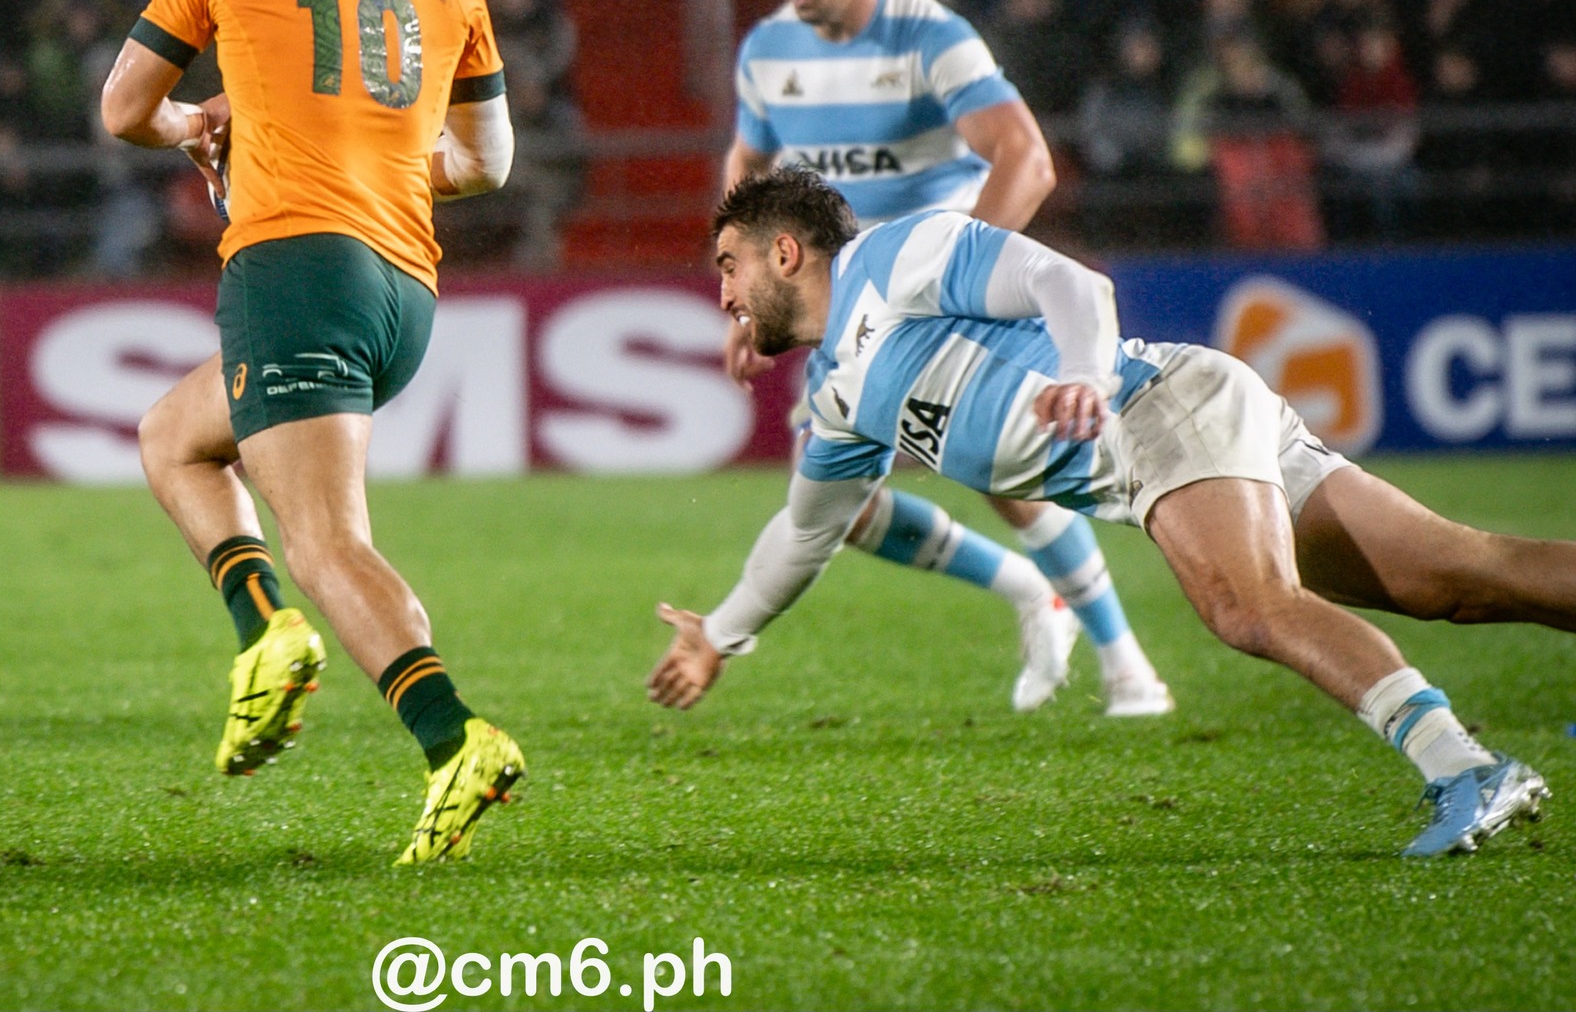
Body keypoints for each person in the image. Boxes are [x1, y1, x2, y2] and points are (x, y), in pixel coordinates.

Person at [652, 169, 1560, 858]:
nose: (724, 296)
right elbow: (806, 532)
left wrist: (1086, 375)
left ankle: (1466, 769)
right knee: (1451, 577)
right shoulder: (838, 397)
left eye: (730, 266)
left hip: (1158, 406)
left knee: (1249, 606)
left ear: (785, 253)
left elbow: (1071, 285)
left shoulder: (894, 258)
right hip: (1178, 429)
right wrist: (719, 634)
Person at [99, 0, 524, 865]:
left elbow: (124, 109)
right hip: (404, 286)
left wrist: (200, 124)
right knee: (173, 435)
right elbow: (487, 164)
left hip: (295, 264)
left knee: (329, 540)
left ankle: (454, 738)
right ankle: (263, 632)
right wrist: (380, 165)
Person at [727, 0, 1170, 717]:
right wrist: (747, 291)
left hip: (937, 292)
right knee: (839, 507)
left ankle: (1127, 665)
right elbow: (745, 167)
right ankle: (1029, 592)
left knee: (1013, 475)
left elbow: (1027, 158)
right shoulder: (767, 52)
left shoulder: (932, 39)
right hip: (847, 317)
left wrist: (962, 273)